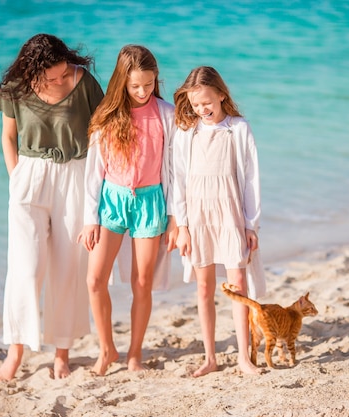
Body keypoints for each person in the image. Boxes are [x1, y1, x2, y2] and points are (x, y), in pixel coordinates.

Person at [0, 33, 104, 381]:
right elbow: (8, 137)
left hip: (75, 174)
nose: (59, 79)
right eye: (51, 76)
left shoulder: (83, 81)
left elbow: (101, 133)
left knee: (68, 269)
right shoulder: (15, 87)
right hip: (29, 175)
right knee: (25, 268)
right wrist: (16, 180)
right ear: (31, 70)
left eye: (62, 72)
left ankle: (62, 354)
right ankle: (16, 351)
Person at [77, 44, 177, 375]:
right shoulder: (106, 117)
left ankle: (135, 353)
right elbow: (94, 171)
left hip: (150, 202)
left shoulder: (166, 113)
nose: (142, 91)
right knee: (94, 280)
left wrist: (176, 217)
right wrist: (90, 218)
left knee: (142, 282)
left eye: (148, 84)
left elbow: (175, 169)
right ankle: (107, 350)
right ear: (122, 82)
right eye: (135, 86)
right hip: (112, 201)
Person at [172, 66, 266, 377]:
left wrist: (251, 225)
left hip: (230, 215)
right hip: (198, 217)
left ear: (222, 95)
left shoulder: (238, 129)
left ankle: (243, 357)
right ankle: (210, 357)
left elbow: (251, 179)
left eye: (207, 103)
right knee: (203, 287)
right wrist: (182, 227)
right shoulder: (187, 132)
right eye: (196, 105)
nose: (202, 110)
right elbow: (178, 181)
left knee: (237, 285)